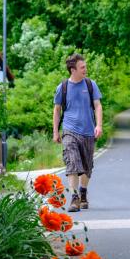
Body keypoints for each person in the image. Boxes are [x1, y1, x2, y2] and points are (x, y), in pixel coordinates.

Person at [53, 54, 103, 212]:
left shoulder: (90, 84)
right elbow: (57, 110)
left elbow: (98, 105)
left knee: (87, 167)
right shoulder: (63, 87)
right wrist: (56, 132)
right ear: (72, 70)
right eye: (82, 67)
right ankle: (74, 198)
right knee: (72, 163)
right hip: (69, 130)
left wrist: (99, 125)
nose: (85, 70)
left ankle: (83, 193)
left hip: (88, 131)